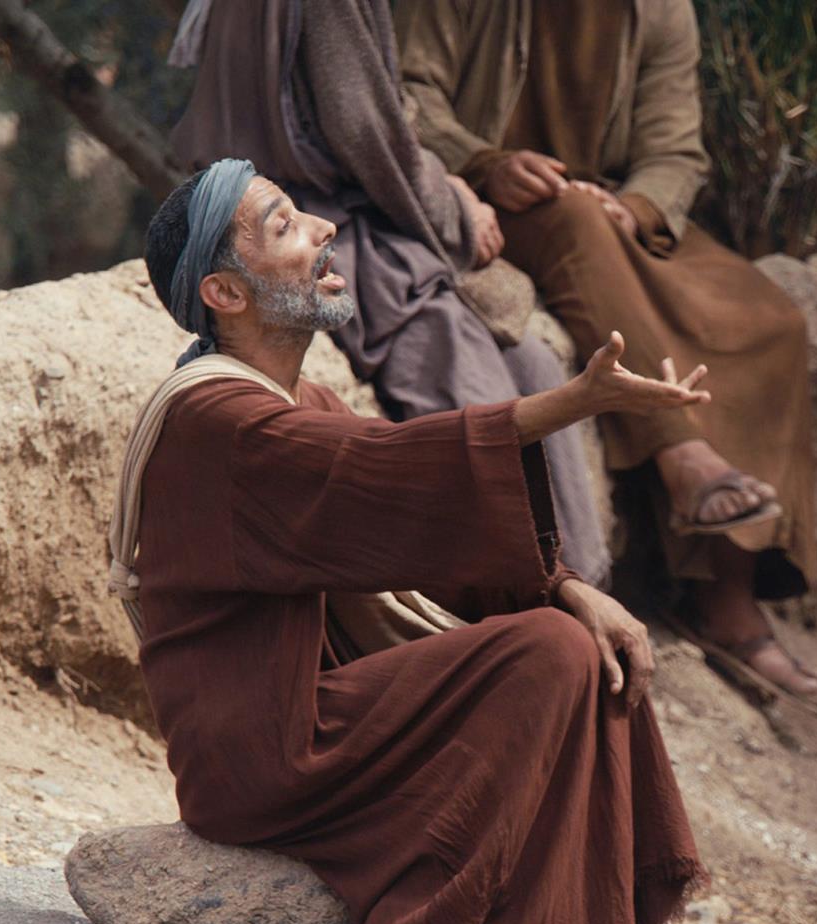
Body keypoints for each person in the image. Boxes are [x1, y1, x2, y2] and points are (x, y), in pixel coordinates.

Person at [118, 159, 710, 924]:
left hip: (321, 724)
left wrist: (571, 590)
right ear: (226, 293)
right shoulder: (213, 418)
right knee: (545, 653)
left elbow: (420, 540)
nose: (323, 229)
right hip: (261, 753)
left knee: (580, 642)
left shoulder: (306, 401)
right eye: (284, 225)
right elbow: (387, 471)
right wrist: (571, 402)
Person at [397, 0, 817, 701]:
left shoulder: (661, 10)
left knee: (772, 322)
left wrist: (639, 207)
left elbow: (674, 148)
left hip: (610, 213)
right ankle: (683, 457)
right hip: (487, 203)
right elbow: (411, 94)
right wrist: (486, 163)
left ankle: (727, 594)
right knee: (576, 220)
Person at [166, 0, 611, 586]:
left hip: (336, 211)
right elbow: (368, 135)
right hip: (322, 218)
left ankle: (586, 584)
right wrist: (456, 211)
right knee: (459, 362)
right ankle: (541, 588)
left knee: (532, 360)